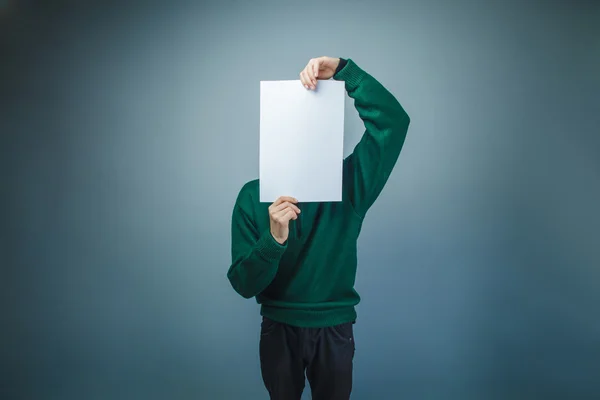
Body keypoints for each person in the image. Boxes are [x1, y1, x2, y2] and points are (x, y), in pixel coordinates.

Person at [227, 56, 411, 400]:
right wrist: (274, 240)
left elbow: (393, 124)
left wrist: (346, 72)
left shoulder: (349, 185)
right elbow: (243, 284)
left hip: (334, 326)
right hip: (280, 327)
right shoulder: (252, 197)